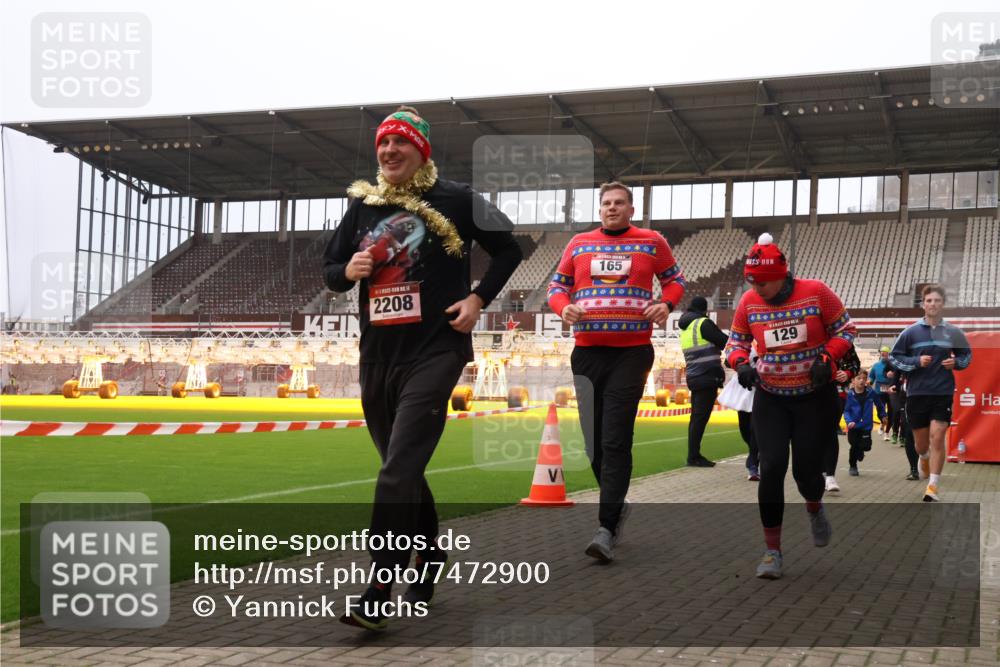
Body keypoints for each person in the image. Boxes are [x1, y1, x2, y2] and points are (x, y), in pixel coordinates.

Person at [323, 106, 522, 629]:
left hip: (436, 350)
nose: (389, 152)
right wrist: (347, 269)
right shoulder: (363, 205)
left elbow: (508, 249)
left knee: (397, 470)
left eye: (400, 144)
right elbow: (331, 270)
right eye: (383, 144)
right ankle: (430, 555)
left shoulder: (456, 198)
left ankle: (378, 589)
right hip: (378, 355)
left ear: (421, 151)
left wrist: (478, 299)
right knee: (402, 468)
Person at [548, 181, 685, 563]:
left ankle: (606, 527)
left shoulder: (652, 242)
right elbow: (557, 287)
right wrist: (563, 308)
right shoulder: (578, 244)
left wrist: (666, 303)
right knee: (593, 443)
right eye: (606, 203)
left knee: (615, 439)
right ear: (600, 208)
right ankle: (617, 504)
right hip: (588, 354)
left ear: (630, 209)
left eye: (618, 203)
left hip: (631, 353)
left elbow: (675, 280)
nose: (611, 208)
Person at [724, 233, 856, 580]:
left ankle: (814, 507)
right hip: (771, 397)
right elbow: (735, 342)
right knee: (771, 467)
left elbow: (846, 329)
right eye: (753, 281)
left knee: (805, 473)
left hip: (814, 397)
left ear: (783, 274)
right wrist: (741, 364)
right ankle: (772, 551)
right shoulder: (749, 302)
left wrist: (827, 357)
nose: (759, 288)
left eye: (765, 281)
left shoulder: (816, 292)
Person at [889, 284, 972, 502]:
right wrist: (916, 361)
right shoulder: (910, 332)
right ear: (923, 304)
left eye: (937, 300)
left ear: (943, 304)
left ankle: (933, 485)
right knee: (922, 445)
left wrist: (955, 362)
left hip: (942, 392)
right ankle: (923, 457)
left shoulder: (953, 332)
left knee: (938, 437)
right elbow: (895, 358)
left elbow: (966, 357)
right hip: (917, 394)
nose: (933, 304)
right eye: (929, 301)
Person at [678, 295, 728, 467]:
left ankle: (693, 454)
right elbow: (724, 342)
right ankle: (693, 456)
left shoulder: (686, 327)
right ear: (705, 309)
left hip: (694, 375)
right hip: (707, 375)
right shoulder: (703, 324)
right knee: (700, 418)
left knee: (696, 418)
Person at [821, 346, 860, 493]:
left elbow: (856, 364)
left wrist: (847, 373)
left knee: (830, 431)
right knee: (815, 433)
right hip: (810, 393)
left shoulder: (844, 342)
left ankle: (830, 475)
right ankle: (820, 471)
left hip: (837, 393)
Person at [718, 352, 759, 481]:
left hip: (760, 387)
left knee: (754, 428)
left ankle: (753, 463)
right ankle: (756, 452)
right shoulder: (741, 339)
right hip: (742, 386)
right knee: (744, 428)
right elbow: (728, 360)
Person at [843, 370, 886, 477]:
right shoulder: (849, 395)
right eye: (859, 378)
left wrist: (883, 416)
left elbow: (879, 405)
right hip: (853, 426)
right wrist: (849, 421)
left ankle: (861, 450)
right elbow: (846, 410)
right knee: (854, 445)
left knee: (866, 447)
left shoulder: (871, 392)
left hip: (866, 426)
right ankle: (853, 466)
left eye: (864, 378)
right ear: (853, 381)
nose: (862, 381)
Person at [868, 346, 897, 442]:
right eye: (882, 352)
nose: (884, 354)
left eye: (886, 353)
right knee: (881, 410)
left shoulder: (893, 365)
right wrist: (869, 383)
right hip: (879, 391)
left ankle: (887, 432)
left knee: (891, 412)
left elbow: (899, 375)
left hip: (891, 389)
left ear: (889, 354)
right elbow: (871, 377)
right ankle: (882, 423)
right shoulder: (876, 365)